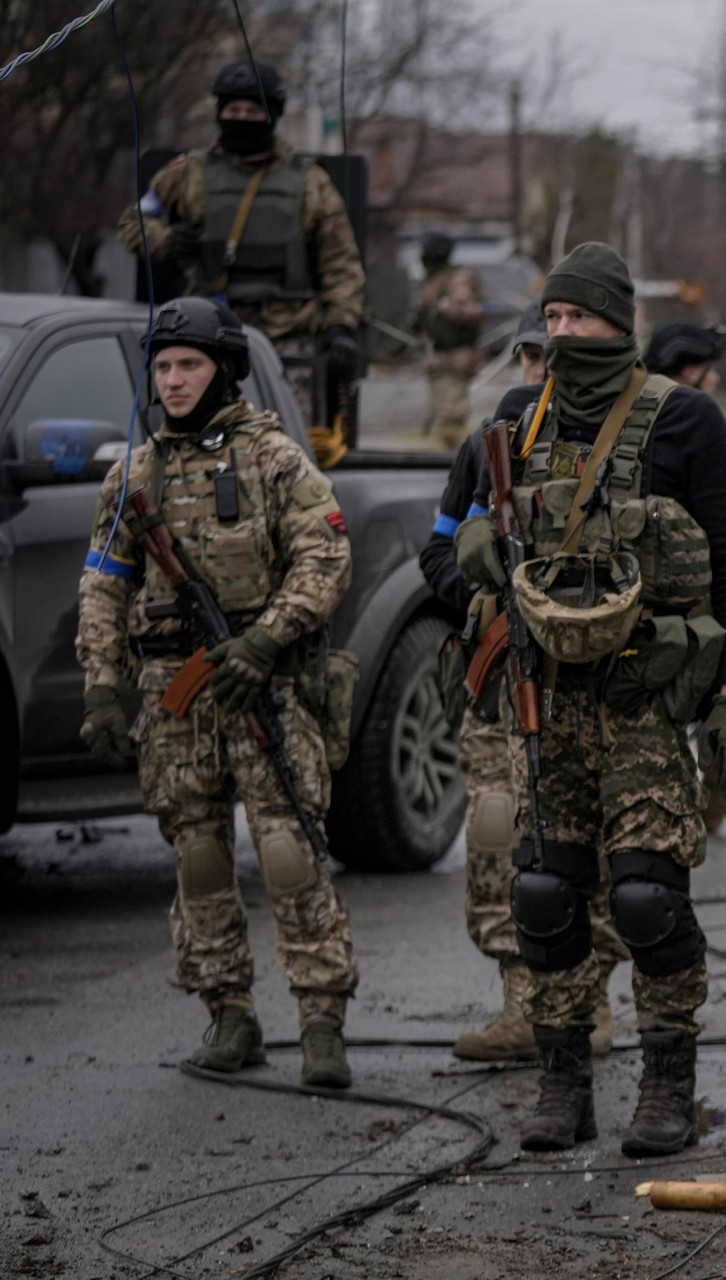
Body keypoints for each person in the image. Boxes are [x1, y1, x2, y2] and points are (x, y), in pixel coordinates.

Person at [453, 243, 726, 1156]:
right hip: (545, 703)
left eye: (577, 319)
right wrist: (474, 542)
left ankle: (668, 1083)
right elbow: (472, 527)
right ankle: (563, 1084)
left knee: (647, 898)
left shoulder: (686, 421)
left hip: (646, 702)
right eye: (549, 320)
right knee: (546, 894)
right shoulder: (516, 420)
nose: (560, 334)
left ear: (618, 323)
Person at [76, 298, 356, 1087]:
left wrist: (267, 636)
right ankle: (228, 1012)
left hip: (261, 685)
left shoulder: (274, 460)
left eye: (188, 365)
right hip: (174, 693)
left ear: (219, 368)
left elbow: (326, 558)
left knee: (287, 853)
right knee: (197, 855)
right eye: (162, 367)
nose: (172, 380)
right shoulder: (134, 473)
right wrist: (101, 684)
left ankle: (321, 1016)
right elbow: (103, 585)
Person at [419, 302, 619, 1062]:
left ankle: (590, 1003)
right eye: (531, 357)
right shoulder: (488, 445)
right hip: (501, 672)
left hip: (578, 675)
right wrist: (479, 584)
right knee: (497, 832)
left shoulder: (602, 446)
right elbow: (435, 554)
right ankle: (517, 1002)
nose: (541, 371)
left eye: (552, 357)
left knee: (582, 840)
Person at [118, 59, 365, 427]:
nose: (242, 117)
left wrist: (341, 327)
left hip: (288, 336)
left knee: (288, 442)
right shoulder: (188, 174)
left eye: (253, 110)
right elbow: (132, 222)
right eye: (233, 109)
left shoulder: (309, 182)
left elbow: (341, 262)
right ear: (219, 112)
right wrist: (166, 241)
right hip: (207, 333)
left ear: (273, 115)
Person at [642, 321, 726, 834]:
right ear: (690, 369)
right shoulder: (691, 419)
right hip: (690, 619)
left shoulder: (669, 415)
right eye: (709, 371)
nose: (715, 381)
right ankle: (709, 805)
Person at [414, 231, 488, 450]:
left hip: (455, 359)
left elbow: (470, 310)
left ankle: (454, 463)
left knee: (451, 418)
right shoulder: (435, 279)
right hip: (439, 358)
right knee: (444, 416)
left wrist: (450, 309)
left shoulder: (456, 279)